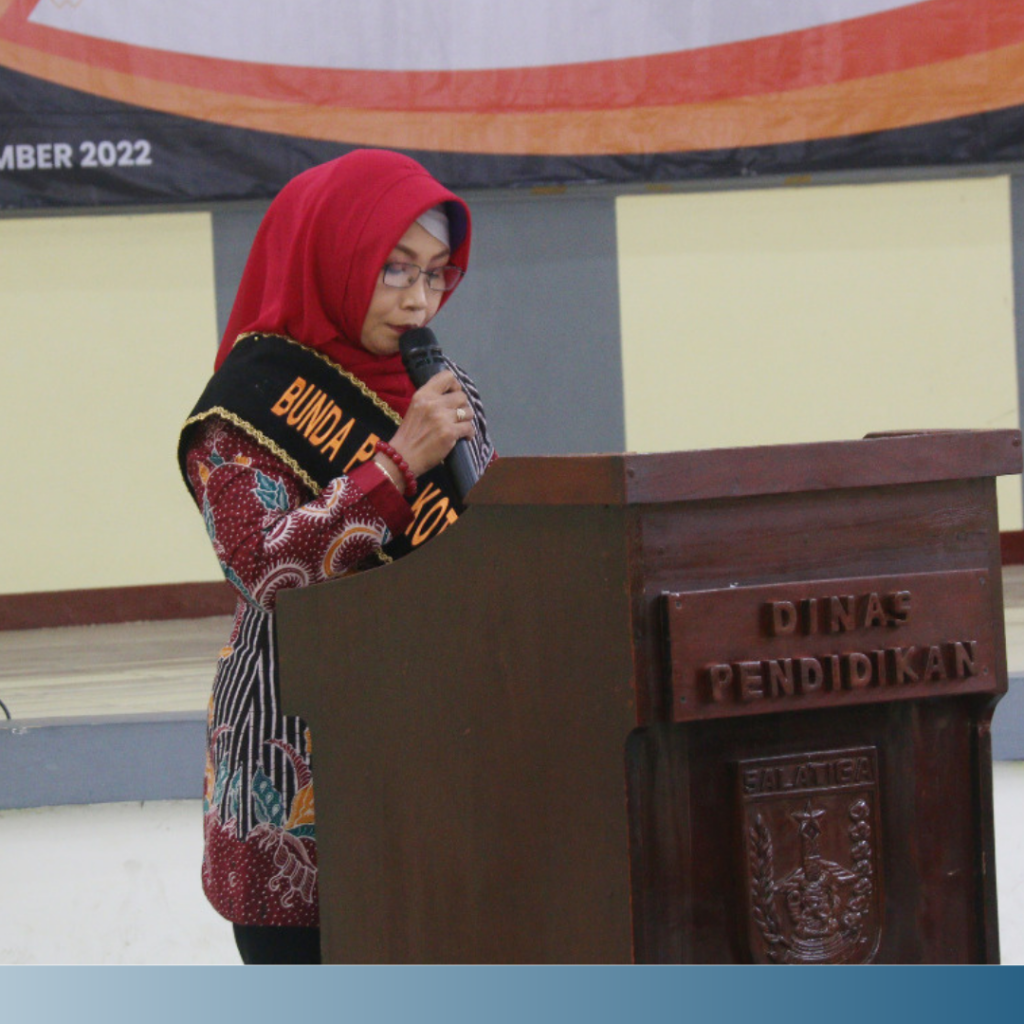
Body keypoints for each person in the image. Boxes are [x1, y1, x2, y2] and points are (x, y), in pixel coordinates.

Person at [177, 149, 495, 964]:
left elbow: (491, 545)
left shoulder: (440, 390)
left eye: (435, 273)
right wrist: (395, 466)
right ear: (334, 257)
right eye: (394, 269)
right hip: (299, 749)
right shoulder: (244, 407)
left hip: (434, 736)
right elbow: (265, 570)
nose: (419, 300)